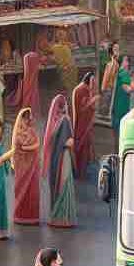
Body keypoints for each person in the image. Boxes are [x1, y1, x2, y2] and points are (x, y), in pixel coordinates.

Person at [43, 95, 79, 228]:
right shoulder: (65, 120)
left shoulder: (54, 122)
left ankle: (57, 216)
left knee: (58, 185)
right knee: (65, 184)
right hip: (64, 158)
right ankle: (63, 217)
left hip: (55, 158)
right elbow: (69, 142)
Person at [9, 109, 44, 227]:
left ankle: (31, 216)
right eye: (25, 119)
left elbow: (37, 144)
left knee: (32, 190)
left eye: (28, 119)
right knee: (21, 189)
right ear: (21, 119)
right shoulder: (18, 133)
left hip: (32, 167)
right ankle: (20, 215)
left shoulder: (32, 131)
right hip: (22, 167)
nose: (27, 121)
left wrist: (29, 147)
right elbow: (21, 147)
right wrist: (29, 147)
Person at [17, 51, 43, 118]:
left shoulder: (28, 58)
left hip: (29, 81)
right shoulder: (31, 58)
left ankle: (27, 114)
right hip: (30, 82)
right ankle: (28, 114)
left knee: (29, 94)